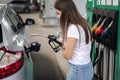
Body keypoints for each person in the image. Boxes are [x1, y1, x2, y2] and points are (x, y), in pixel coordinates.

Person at [54, 0, 94, 80]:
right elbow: (79, 43)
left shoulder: (73, 28)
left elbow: (68, 55)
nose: (57, 17)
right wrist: (62, 40)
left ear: (67, 13)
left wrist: (63, 49)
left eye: (58, 13)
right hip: (86, 67)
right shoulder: (82, 23)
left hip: (78, 70)